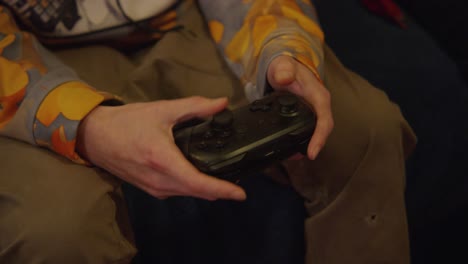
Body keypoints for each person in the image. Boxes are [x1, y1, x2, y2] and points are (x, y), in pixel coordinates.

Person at [0, 0, 416, 263]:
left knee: (363, 130)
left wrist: (283, 48)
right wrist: (85, 124)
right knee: (56, 230)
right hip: (24, 60)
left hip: (190, 18)